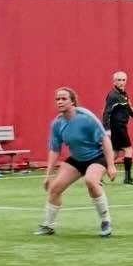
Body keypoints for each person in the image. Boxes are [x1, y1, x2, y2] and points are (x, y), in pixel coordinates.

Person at [38, 87, 115, 238]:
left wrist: (111, 165)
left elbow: (105, 139)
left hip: (97, 156)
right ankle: (48, 225)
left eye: (63, 99)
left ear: (72, 101)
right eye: (57, 99)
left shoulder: (86, 117)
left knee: (91, 181)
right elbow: (54, 150)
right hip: (76, 159)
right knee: (55, 188)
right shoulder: (57, 124)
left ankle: (105, 221)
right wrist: (48, 175)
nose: (60, 101)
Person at [102, 71, 133, 186]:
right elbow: (106, 113)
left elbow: (130, 109)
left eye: (123, 80)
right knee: (128, 149)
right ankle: (127, 178)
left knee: (114, 154)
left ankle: (97, 176)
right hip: (117, 128)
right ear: (114, 82)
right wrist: (107, 129)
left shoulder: (123, 94)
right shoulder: (113, 95)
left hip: (121, 127)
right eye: (119, 80)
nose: (121, 82)